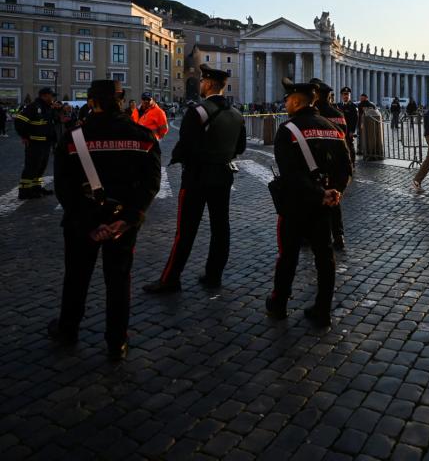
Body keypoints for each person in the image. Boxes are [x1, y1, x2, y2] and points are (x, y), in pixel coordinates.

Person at [47, 80, 161, 361]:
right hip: (122, 221)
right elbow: (151, 184)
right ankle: (117, 341)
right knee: (119, 281)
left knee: (76, 277)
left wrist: (88, 224)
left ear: (92, 102)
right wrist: (129, 219)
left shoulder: (73, 138)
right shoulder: (143, 137)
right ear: (122, 100)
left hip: (82, 221)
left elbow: (64, 187)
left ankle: (68, 329)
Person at [143, 64, 246, 294]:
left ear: (208, 84)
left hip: (197, 177)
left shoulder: (197, 112)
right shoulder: (238, 115)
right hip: (223, 176)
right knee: (221, 228)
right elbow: (240, 147)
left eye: (202, 81)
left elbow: (185, 146)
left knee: (186, 231)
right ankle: (213, 275)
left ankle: (171, 279)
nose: (200, 84)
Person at [265, 81, 352, 326]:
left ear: (297, 101)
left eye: (287, 99)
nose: (285, 103)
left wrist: (317, 193)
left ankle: (279, 303)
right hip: (324, 206)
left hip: (296, 204)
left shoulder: (288, 129)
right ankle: (323, 310)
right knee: (325, 257)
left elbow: (291, 174)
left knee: (288, 256)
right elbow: (346, 167)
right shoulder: (333, 127)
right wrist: (335, 192)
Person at [310, 78, 349, 252]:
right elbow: (345, 140)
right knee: (335, 202)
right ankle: (339, 235)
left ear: (317, 96)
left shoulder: (314, 116)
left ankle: (308, 235)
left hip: (317, 165)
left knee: (312, 200)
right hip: (336, 165)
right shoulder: (339, 115)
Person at [14, 87, 57, 199]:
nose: (52, 98)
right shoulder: (33, 107)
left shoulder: (47, 108)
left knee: (40, 167)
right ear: (44, 96)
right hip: (35, 143)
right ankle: (24, 191)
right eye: (51, 95)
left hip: (45, 143)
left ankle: (36, 188)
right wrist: (24, 136)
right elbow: (19, 121)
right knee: (31, 167)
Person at [337, 87, 358, 165]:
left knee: (350, 146)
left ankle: (352, 163)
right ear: (341, 95)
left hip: (348, 130)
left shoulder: (353, 106)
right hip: (340, 130)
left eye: (347, 94)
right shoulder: (338, 105)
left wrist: (352, 131)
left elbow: (355, 120)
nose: (346, 96)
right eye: (344, 94)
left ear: (350, 95)